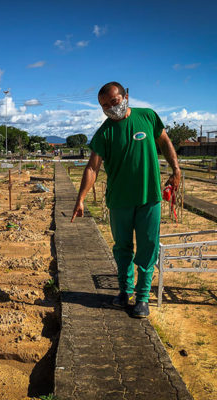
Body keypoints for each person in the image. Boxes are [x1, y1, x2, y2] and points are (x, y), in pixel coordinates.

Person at [71, 82, 181, 318]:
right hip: (119, 200)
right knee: (122, 248)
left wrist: (176, 169)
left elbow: (164, 141)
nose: (110, 109)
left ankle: (142, 298)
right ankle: (125, 292)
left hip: (149, 197)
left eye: (114, 102)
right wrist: (81, 198)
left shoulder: (148, 117)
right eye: (104, 106)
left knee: (148, 247)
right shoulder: (105, 132)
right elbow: (93, 167)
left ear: (126, 96)